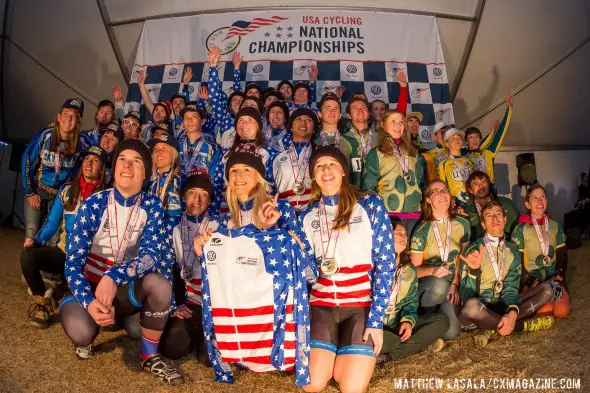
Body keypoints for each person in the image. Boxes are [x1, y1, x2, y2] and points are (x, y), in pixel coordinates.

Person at [59, 139, 183, 384]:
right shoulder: (94, 204)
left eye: (136, 161)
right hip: (89, 287)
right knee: (82, 334)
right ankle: (98, 317)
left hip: (122, 287)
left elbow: (150, 256)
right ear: (114, 168)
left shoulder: (152, 205)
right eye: (122, 159)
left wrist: (113, 277)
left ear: (145, 173)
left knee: (158, 286)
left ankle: (149, 356)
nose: (128, 165)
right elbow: (72, 265)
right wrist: (89, 300)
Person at [299, 146, 394, 393]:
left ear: (343, 171)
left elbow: (386, 264)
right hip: (322, 306)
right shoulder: (308, 216)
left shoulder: (370, 204)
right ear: (314, 176)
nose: (326, 170)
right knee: (313, 385)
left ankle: (342, 357)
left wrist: (376, 321)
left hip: (360, 307)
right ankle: (333, 357)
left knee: (351, 387)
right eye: (319, 166)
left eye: (332, 164)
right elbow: (307, 274)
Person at [21, 146, 108, 328]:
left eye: (95, 161)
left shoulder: (109, 196)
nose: (89, 164)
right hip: (64, 253)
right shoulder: (67, 189)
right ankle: (42, 305)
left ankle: (61, 289)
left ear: (102, 168)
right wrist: (36, 240)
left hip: (90, 261)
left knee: (77, 305)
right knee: (28, 255)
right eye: (86, 159)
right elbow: (52, 223)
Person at [459, 201, 556, 347]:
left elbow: (511, 289)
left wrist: (511, 312)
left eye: (498, 214)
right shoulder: (473, 250)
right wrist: (474, 271)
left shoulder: (512, 250)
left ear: (504, 219)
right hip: (479, 310)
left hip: (501, 305)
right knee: (471, 306)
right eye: (489, 216)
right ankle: (522, 326)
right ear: (483, 224)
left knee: (547, 289)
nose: (494, 218)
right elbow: (466, 296)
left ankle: (495, 325)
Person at [158, 169, 219, 365]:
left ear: (210, 201)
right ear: (183, 197)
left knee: (208, 359)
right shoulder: (173, 228)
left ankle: (206, 333)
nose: (197, 199)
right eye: (192, 192)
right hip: (190, 302)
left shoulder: (220, 227)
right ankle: (196, 331)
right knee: (170, 348)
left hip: (214, 304)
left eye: (204, 195)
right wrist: (175, 305)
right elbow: (168, 269)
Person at [377, 221, 449, 364]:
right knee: (389, 340)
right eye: (399, 233)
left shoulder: (408, 269)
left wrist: (408, 321)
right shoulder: (374, 265)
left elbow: (411, 302)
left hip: (396, 322)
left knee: (442, 322)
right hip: (376, 326)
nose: (404, 237)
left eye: (405, 234)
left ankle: (387, 356)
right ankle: (408, 346)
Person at [410, 180, 471, 340]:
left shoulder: (463, 223)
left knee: (451, 333)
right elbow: (413, 271)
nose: (442, 194)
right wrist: (433, 270)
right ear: (428, 200)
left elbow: (463, 259)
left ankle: (436, 323)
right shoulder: (422, 229)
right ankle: (423, 318)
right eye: (436, 191)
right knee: (439, 285)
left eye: (445, 190)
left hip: (450, 285)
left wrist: (455, 284)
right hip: (429, 286)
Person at [22, 98, 85, 242]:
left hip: (58, 196)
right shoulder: (45, 135)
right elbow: (26, 161)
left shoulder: (79, 143)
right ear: (58, 116)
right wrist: (30, 192)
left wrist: (68, 192)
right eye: (66, 114)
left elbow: (77, 171)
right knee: (31, 232)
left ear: (78, 121)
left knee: (53, 238)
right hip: (38, 190)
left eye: (74, 116)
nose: (68, 119)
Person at [511, 185, 571, 319]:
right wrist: (528, 281)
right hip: (532, 281)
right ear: (527, 203)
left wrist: (559, 274)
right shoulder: (521, 228)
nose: (540, 201)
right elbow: (516, 261)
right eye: (535, 198)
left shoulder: (554, 225)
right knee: (546, 311)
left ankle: (556, 291)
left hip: (552, 278)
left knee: (561, 312)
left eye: (543, 197)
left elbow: (562, 254)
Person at [363, 110, 425, 233]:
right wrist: (376, 210)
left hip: (414, 212)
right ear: (384, 125)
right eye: (393, 121)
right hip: (388, 212)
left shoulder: (413, 153)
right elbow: (369, 187)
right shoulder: (376, 153)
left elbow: (422, 182)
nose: (398, 125)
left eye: (401, 122)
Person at [210, 107, 278, 215]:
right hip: (229, 213)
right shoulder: (225, 155)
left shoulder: (271, 154)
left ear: (259, 126)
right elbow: (217, 186)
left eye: (250, 120)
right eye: (241, 120)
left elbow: (272, 188)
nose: (244, 124)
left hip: (259, 213)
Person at [273, 108, 317, 213]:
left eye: (309, 120)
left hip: (313, 213)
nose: (303, 122)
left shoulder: (320, 155)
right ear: (291, 128)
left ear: (314, 129)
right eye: (298, 119)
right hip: (284, 214)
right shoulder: (277, 157)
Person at [463, 94, 513, 184]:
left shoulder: (489, 152)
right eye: (471, 137)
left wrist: (509, 109)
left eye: (476, 137)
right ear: (466, 141)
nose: (474, 140)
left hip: (489, 192)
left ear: (480, 139)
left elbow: (501, 132)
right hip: (470, 193)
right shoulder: (462, 154)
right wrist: (491, 134)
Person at [463, 171, 519, 241]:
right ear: (470, 190)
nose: (481, 186)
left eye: (484, 182)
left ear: (489, 185)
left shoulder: (506, 204)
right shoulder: (466, 211)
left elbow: (518, 230)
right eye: (476, 184)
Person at [342, 97, 378, 188]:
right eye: (355, 108)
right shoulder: (343, 139)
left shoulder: (380, 138)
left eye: (363, 107)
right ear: (348, 116)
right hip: (354, 193)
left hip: (378, 195)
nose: (360, 110)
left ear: (369, 114)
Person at [148, 133, 182, 226]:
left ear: (174, 154)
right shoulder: (151, 185)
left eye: (164, 149)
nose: (159, 152)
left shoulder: (181, 180)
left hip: (177, 236)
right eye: (156, 149)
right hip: (153, 236)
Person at [437, 127, 475, 206]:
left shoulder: (470, 161)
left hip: (474, 200)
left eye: (459, 137)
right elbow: (441, 187)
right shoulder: (443, 164)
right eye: (453, 138)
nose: (457, 139)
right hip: (456, 204)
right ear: (447, 144)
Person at [177, 102, 217, 174]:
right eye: (186, 117)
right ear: (183, 123)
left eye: (194, 116)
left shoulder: (212, 147)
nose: (189, 120)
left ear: (202, 121)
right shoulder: (175, 147)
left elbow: (214, 175)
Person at [313, 93, 353, 166]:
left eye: (336, 108)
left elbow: (356, 174)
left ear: (340, 115)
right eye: (328, 108)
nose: (332, 111)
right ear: (319, 114)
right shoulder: (312, 141)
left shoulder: (351, 141)